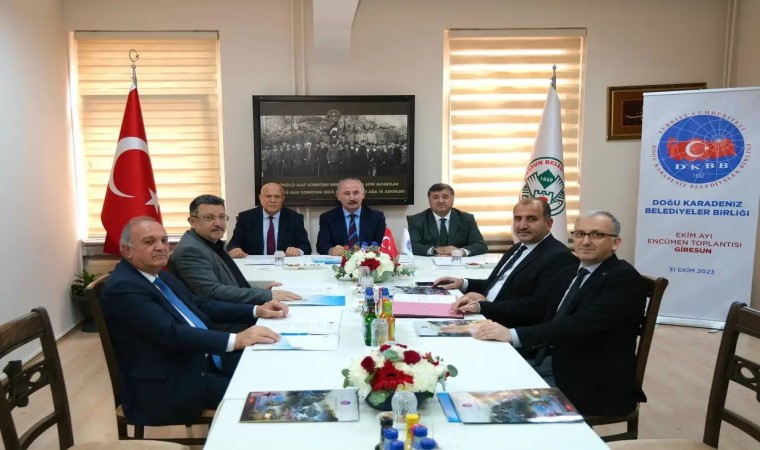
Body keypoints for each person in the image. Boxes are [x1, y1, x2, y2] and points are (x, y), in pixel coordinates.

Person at [456, 211, 647, 417]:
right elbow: (536, 306)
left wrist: (513, 335)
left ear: (616, 243)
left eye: (597, 235)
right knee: (471, 373)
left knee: (489, 400)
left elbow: (579, 325)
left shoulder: (623, 279)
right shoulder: (571, 271)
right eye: (580, 234)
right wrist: (482, 307)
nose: (586, 241)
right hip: (550, 360)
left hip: (589, 381)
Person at [101, 216, 288, 425]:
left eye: (164, 240)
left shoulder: (159, 275)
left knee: (273, 367)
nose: (161, 247)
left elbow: (200, 305)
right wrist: (236, 339)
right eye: (149, 242)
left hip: (198, 358)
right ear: (127, 250)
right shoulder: (123, 288)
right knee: (263, 398)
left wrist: (255, 310)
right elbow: (171, 333)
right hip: (170, 382)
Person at [441, 198, 577, 325]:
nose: (522, 225)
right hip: (486, 315)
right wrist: (463, 283)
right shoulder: (518, 248)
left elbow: (537, 307)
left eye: (531, 219)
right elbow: (497, 285)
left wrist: (484, 306)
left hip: (507, 327)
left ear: (548, 224)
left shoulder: (559, 257)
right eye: (518, 218)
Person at [169, 195, 301, 304]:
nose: (218, 223)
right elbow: (213, 292)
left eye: (222, 217)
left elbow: (228, 283)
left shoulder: (211, 242)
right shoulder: (191, 250)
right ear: (192, 221)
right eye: (209, 218)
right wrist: (265, 296)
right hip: (223, 320)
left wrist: (260, 290)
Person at [227, 183, 312, 257]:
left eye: (277, 197)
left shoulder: (295, 218)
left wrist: (298, 251)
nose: (273, 200)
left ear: (283, 199)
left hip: (283, 265)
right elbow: (233, 243)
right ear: (260, 198)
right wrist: (235, 250)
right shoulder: (246, 218)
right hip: (254, 266)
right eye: (268, 196)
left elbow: (306, 247)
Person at [407, 183, 488, 256]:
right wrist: (436, 250)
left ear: (453, 199)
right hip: (428, 264)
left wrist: (460, 252)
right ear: (429, 200)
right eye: (435, 197)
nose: (441, 201)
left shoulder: (466, 219)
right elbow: (412, 246)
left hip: (459, 263)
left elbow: (481, 245)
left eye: (445, 197)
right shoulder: (416, 220)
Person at [316, 178, 386, 255]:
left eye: (356, 193)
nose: (352, 198)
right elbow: (321, 245)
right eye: (347, 194)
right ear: (338, 196)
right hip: (340, 260)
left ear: (363, 195)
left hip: (367, 260)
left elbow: (382, 243)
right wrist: (331, 250)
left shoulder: (376, 217)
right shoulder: (327, 218)